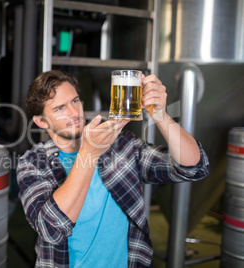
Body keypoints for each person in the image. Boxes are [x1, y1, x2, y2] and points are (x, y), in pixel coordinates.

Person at [16, 70, 210, 267]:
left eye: (75, 101)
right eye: (59, 109)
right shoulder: (33, 162)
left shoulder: (121, 145)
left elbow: (194, 168)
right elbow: (51, 229)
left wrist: (161, 116)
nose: (74, 113)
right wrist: (88, 154)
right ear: (41, 121)